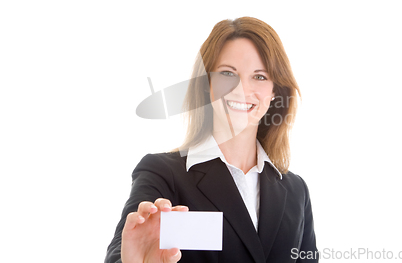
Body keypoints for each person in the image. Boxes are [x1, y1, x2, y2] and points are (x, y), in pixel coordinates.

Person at [104, 17, 318, 263]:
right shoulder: (163, 173)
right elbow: (126, 250)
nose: (241, 89)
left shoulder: (296, 190)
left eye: (259, 77)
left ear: (274, 92)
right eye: (228, 73)